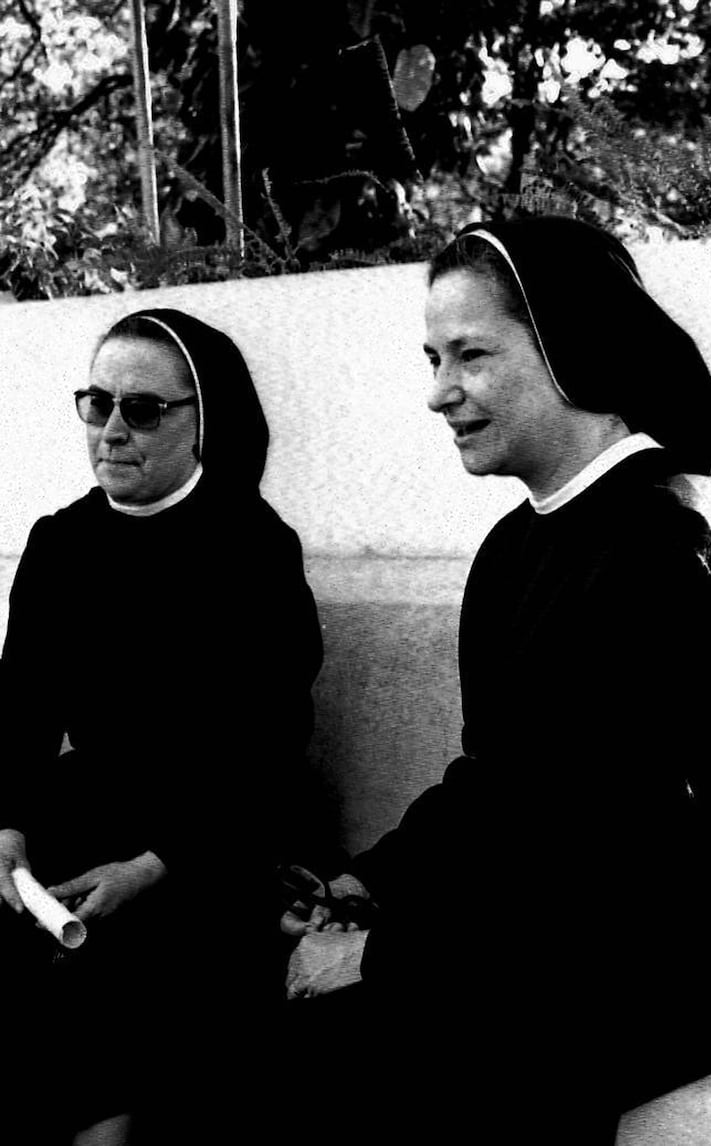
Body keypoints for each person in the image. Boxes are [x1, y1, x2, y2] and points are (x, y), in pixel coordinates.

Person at [282, 217, 711, 1142]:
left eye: (470, 354)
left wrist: (385, 956)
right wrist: (365, 882)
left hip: (647, 960)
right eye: (433, 356)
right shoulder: (521, 542)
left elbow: (610, 866)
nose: (439, 392)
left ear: (570, 348)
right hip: (547, 926)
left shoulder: (655, 561)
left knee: (351, 1063)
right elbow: (500, 787)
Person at [0, 309, 328, 1145]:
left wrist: (151, 867)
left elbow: (265, 746)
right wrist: (7, 830)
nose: (112, 429)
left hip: (219, 837)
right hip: (92, 810)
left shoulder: (252, 549)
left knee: (111, 970)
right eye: (97, 403)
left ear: (200, 419)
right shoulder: (59, 544)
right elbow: (21, 710)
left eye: (142, 410)